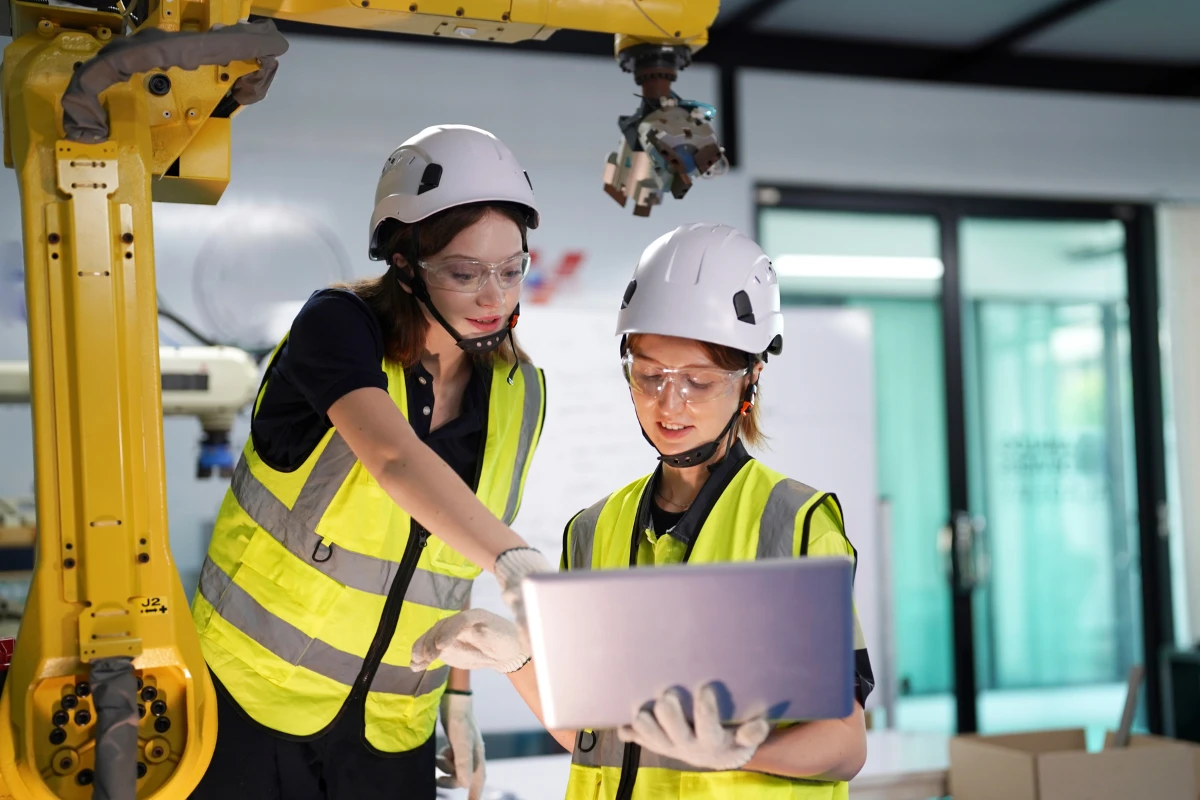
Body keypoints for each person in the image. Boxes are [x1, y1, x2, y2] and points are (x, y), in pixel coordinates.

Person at [413, 222, 874, 799]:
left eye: (699, 382)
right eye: (649, 376)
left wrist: (741, 754)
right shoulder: (593, 529)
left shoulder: (795, 523)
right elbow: (591, 735)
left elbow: (847, 744)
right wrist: (517, 661)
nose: (669, 404)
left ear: (749, 380)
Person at [189, 124, 556, 800]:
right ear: (404, 259)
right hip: (253, 698)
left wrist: (460, 696)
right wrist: (514, 559)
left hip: (393, 726)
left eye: (512, 270)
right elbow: (392, 457)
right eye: (464, 272)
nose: (494, 298)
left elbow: (456, 552)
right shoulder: (338, 325)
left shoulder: (520, 392)